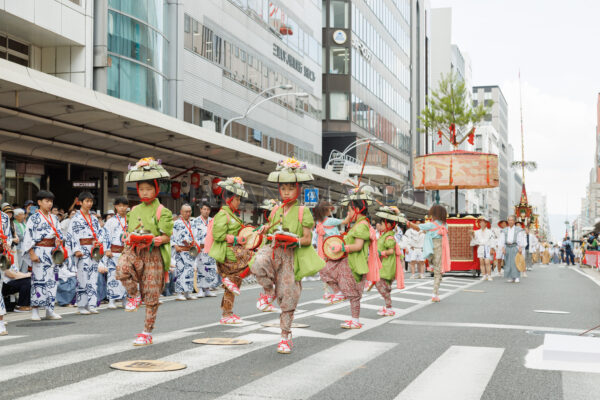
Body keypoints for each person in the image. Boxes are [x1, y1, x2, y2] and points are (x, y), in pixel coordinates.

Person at [251, 158, 325, 353]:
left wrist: (295, 241)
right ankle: (268, 292)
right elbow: (270, 232)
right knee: (257, 263)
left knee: (288, 297)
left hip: (291, 256)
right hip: (273, 249)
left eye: (290, 188)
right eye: (283, 188)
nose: (286, 192)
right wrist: (265, 229)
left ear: (298, 190)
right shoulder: (275, 209)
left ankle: (284, 336)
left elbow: (308, 239)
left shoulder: (304, 212)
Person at [117, 157, 174, 346]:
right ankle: (133, 295)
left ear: (156, 189)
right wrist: (128, 237)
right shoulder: (133, 210)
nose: (144, 192)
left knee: (151, 294)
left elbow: (166, 236)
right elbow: (129, 232)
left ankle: (146, 332)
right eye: (141, 189)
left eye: (148, 189)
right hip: (134, 250)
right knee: (122, 269)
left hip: (153, 254)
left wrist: (159, 239)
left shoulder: (162, 211)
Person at [320, 187, 375, 329]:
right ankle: (339, 294)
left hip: (354, 261)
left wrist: (343, 248)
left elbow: (357, 245)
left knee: (353, 293)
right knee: (325, 269)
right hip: (348, 260)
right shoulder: (359, 224)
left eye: (350, 210)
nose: (348, 213)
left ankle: (355, 320)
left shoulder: (361, 225)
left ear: (357, 210)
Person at [208, 177, 253, 325]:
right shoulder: (223, 214)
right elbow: (218, 235)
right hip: (228, 253)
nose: (239, 202)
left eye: (239, 199)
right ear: (228, 199)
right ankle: (226, 282)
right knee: (256, 258)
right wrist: (236, 240)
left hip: (233, 253)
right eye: (237, 199)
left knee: (233, 284)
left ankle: (227, 314)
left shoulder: (232, 214)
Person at [21, 190, 66, 321]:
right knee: (38, 281)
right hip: (39, 251)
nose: (49, 204)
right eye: (46, 201)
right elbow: (28, 236)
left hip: (52, 252)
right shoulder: (33, 218)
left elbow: (60, 234)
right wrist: (31, 253)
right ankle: (35, 310)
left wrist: (58, 240)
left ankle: (49, 309)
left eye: (51, 201)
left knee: (52, 281)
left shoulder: (54, 218)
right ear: (39, 202)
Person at [68, 191, 104, 315]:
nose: (89, 204)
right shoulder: (75, 219)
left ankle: (92, 304)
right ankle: (81, 305)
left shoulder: (94, 219)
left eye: (91, 201)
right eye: (87, 201)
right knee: (82, 277)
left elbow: (100, 233)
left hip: (93, 249)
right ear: (80, 202)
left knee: (93, 277)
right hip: (81, 250)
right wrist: (76, 249)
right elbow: (71, 236)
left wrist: (99, 243)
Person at [407, 205, 450, 302]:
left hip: (432, 246)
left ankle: (431, 265)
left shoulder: (432, 224)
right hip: (441, 248)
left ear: (435, 214)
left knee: (430, 259)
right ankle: (435, 293)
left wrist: (409, 223)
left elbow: (418, 227)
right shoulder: (445, 225)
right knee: (438, 271)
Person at [374, 206, 405, 316]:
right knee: (383, 285)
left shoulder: (389, 237)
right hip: (384, 264)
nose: (380, 226)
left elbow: (390, 251)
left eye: (382, 224)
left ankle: (389, 307)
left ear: (388, 225)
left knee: (379, 283)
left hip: (387, 265)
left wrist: (380, 253)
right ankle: (388, 308)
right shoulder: (386, 235)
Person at [102, 197, 129, 309]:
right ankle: (112, 300)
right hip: (114, 251)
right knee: (113, 276)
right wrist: (107, 249)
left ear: (127, 207)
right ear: (116, 207)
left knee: (127, 276)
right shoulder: (111, 221)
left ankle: (125, 299)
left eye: (124, 205)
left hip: (127, 252)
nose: (122, 208)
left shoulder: (130, 220)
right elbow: (106, 235)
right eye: (120, 206)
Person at [171, 204, 199, 301]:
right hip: (180, 250)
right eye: (186, 211)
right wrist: (175, 245)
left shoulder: (192, 223)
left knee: (190, 272)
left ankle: (188, 292)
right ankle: (179, 293)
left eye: (189, 211)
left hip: (190, 250)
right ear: (181, 212)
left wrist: (195, 243)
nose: (188, 213)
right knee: (181, 272)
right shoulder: (176, 223)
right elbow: (172, 236)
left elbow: (196, 236)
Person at [192, 203, 219, 298]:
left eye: (208, 209)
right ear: (200, 210)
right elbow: (194, 235)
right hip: (201, 248)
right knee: (201, 269)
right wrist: (198, 245)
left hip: (210, 248)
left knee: (210, 269)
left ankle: (207, 289)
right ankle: (200, 289)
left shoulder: (212, 221)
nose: (206, 211)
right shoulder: (195, 221)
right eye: (204, 209)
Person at [499, 216, 526, 283]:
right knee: (508, 262)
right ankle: (510, 277)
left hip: (514, 247)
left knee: (515, 262)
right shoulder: (504, 230)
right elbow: (501, 240)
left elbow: (520, 239)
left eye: (512, 220)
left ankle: (516, 277)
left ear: (514, 221)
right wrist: (502, 248)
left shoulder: (518, 229)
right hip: (507, 247)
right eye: (509, 220)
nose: (510, 221)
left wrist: (520, 247)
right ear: (508, 221)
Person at [471, 216, 495, 281]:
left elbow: (492, 240)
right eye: (480, 222)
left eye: (483, 222)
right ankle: (484, 275)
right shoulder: (477, 232)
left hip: (487, 247)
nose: (481, 224)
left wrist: (492, 248)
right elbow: (474, 239)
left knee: (487, 262)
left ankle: (489, 275)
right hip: (481, 247)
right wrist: (472, 235)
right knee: (481, 262)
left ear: (486, 223)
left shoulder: (490, 232)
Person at [12, 208, 27, 272]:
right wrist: (27, 237)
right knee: (18, 264)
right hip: (18, 248)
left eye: (23, 214)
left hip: (25, 248)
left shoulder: (24, 224)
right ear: (16, 216)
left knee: (25, 265)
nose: (23, 216)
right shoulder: (14, 224)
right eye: (21, 214)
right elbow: (18, 236)